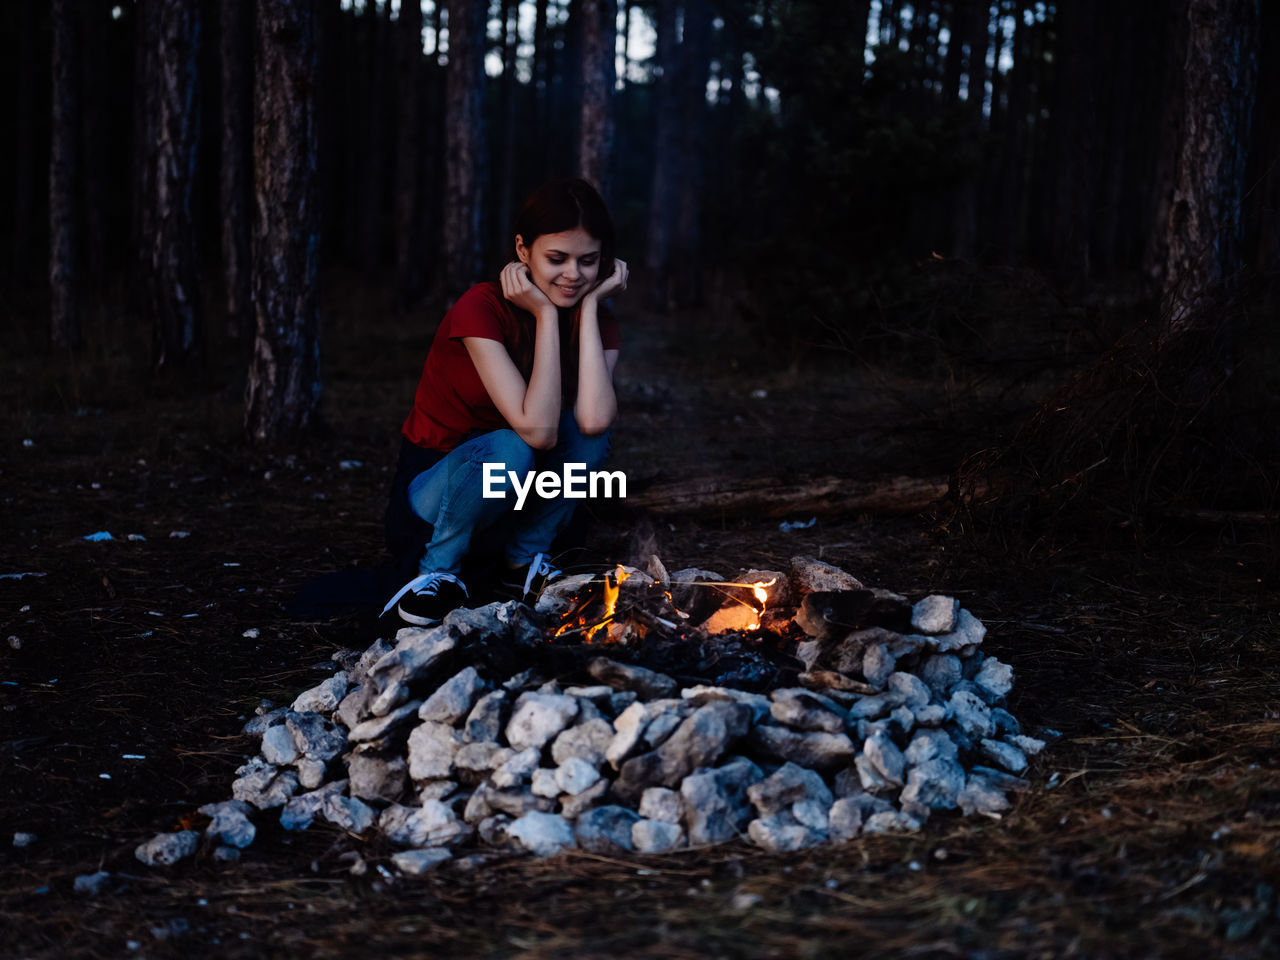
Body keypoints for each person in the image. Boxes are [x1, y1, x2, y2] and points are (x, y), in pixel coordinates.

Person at [382, 177, 627, 626]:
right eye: (557, 259)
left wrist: (588, 311)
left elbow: (592, 423)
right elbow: (537, 431)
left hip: (517, 497)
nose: (573, 275)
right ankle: (435, 574)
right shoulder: (480, 307)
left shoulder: (598, 321)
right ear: (522, 249)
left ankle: (523, 563)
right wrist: (544, 313)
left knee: (588, 438)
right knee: (512, 447)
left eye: (588, 261)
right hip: (440, 494)